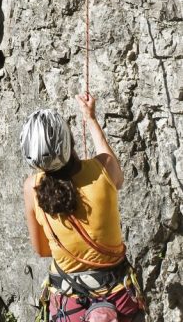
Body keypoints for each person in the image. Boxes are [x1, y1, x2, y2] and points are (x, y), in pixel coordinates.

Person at [21, 95, 147, 322]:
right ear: (68, 141)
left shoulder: (32, 188)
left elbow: (42, 250)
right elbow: (111, 162)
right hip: (118, 300)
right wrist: (90, 118)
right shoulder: (104, 170)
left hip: (69, 305)